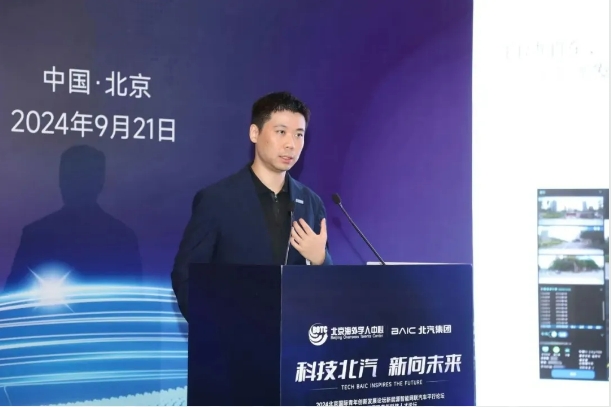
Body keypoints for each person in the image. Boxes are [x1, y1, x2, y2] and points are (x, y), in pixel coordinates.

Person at [171, 91, 332, 320]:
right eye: (281, 132)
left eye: (299, 134)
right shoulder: (217, 200)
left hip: (295, 336)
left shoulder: (311, 203)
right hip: (232, 335)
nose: (291, 144)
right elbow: (186, 276)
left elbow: (328, 287)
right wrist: (214, 328)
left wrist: (321, 260)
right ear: (254, 133)